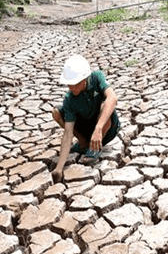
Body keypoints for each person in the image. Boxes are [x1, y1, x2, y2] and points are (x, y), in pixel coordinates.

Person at [51, 55, 120, 183]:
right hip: (87, 130)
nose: (72, 88)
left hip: (107, 129)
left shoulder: (96, 78)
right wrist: (59, 168)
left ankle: (94, 148)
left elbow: (112, 98)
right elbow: (67, 134)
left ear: (85, 78)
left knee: (105, 104)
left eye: (75, 84)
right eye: (69, 84)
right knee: (57, 112)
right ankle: (84, 143)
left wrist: (98, 128)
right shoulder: (70, 100)